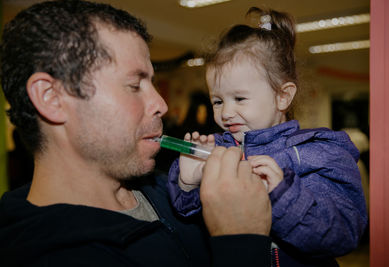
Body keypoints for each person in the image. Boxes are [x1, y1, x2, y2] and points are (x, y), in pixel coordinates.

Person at [0, 1, 273, 266]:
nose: (162, 105)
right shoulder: (52, 256)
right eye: (134, 85)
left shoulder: (173, 188)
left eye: (151, 83)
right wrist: (240, 240)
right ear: (52, 98)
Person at [167, 7, 368, 266]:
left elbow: (342, 235)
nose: (226, 112)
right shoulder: (219, 148)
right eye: (217, 101)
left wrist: (282, 195)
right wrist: (188, 182)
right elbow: (188, 219)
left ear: (282, 96)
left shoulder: (319, 152)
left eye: (239, 98)